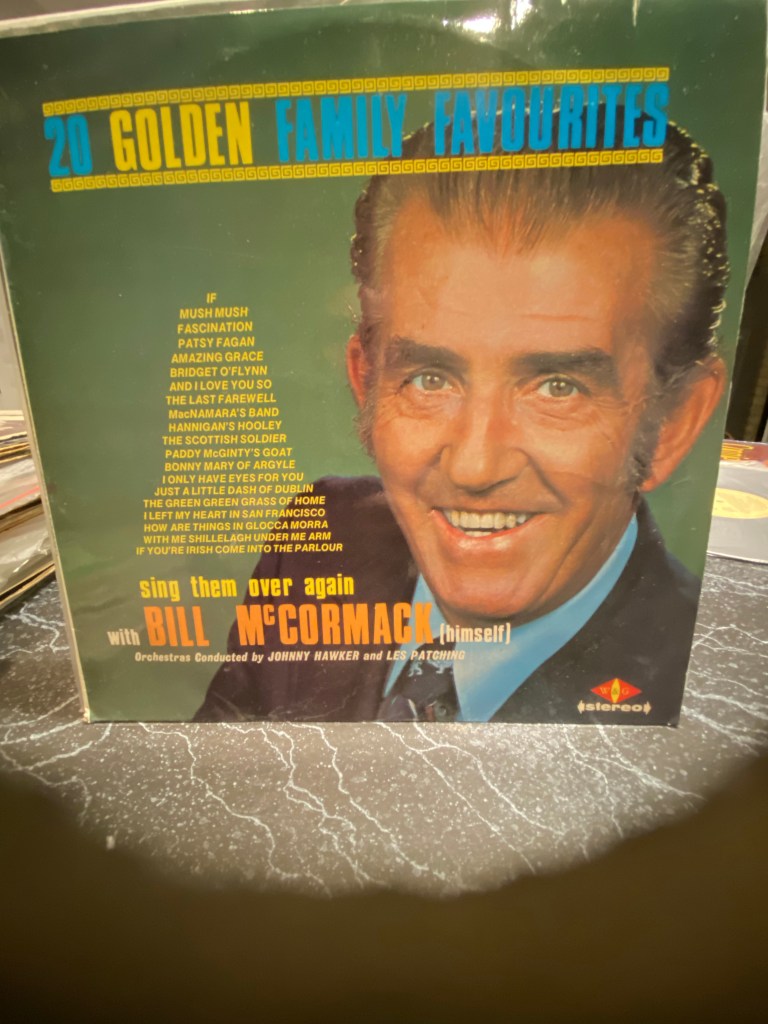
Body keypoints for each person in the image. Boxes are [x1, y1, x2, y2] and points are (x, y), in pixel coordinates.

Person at [195, 110, 728, 724]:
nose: (475, 468)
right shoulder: (320, 537)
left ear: (674, 422)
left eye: (558, 388)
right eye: (430, 378)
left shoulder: (701, 689)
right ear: (367, 384)